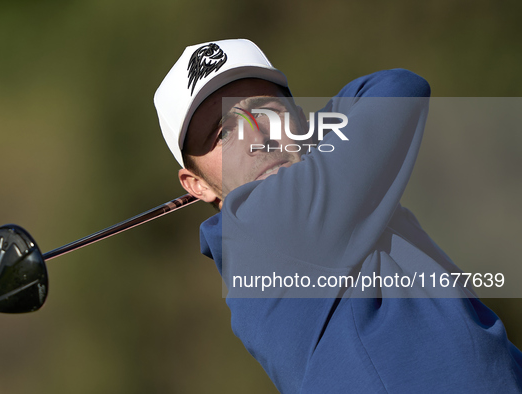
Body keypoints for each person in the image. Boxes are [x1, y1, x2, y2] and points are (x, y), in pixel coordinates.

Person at [154, 39, 522, 393]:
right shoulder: (266, 223)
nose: (258, 137)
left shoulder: (347, 208)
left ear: (299, 118)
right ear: (196, 185)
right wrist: (316, 136)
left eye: (268, 111)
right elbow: (398, 87)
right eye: (225, 132)